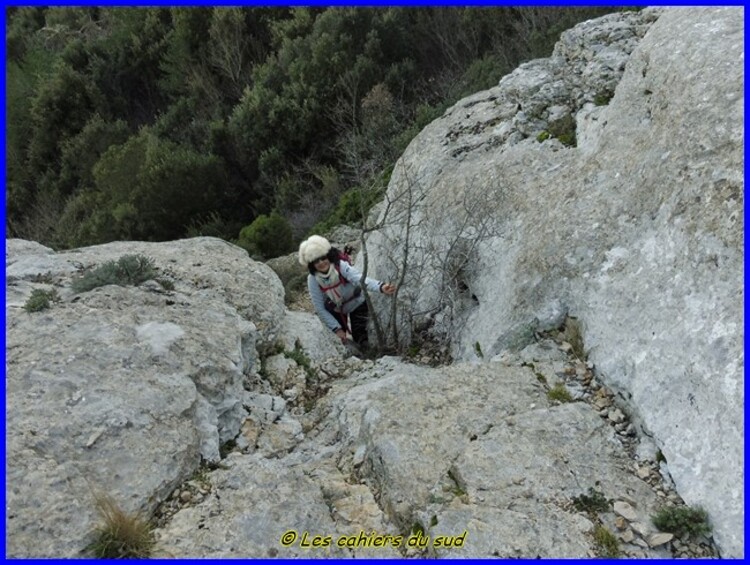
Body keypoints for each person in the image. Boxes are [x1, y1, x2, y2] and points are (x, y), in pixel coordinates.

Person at [298, 235, 396, 351]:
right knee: (340, 341)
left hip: (357, 302)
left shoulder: (340, 266)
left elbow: (359, 279)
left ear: (329, 256)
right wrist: (336, 328)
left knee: (361, 337)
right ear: (311, 264)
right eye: (316, 261)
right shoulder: (313, 279)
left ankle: (368, 355)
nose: (321, 263)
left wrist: (380, 287)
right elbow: (319, 307)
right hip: (336, 309)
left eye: (323, 258)